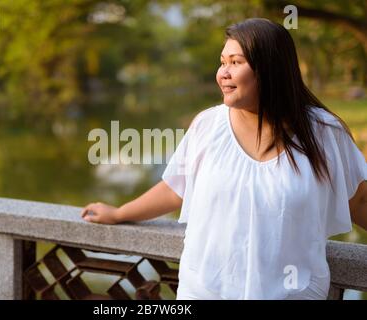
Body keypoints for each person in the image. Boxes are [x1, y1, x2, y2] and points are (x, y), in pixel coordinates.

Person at [80, 18, 367, 300]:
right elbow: (175, 188)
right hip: (206, 292)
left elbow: (359, 200)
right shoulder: (207, 126)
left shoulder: (325, 133)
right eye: (222, 62)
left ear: (270, 69)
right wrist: (120, 214)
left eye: (236, 62)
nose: (223, 73)